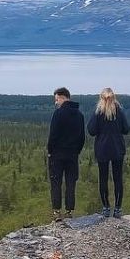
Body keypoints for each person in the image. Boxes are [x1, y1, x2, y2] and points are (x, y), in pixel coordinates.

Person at [87, 87, 130, 218]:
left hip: (102, 149)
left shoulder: (98, 113)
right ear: (114, 98)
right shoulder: (119, 112)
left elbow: (91, 130)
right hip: (117, 148)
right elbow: (126, 129)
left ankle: (106, 208)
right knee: (118, 179)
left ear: (101, 98)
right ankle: (117, 209)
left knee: (103, 178)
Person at [46, 87, 85, 222]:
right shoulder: (79, 115)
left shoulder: (58, 114)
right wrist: (76, 151)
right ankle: (69, 212)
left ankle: (57, 212)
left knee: (56, 182)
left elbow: (53, 135)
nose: (56, 103)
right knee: (70, 183)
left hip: (57, 155)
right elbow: (82, 138)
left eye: (57, 99)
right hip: (72, 155)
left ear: (63, 97)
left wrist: (50, 151)